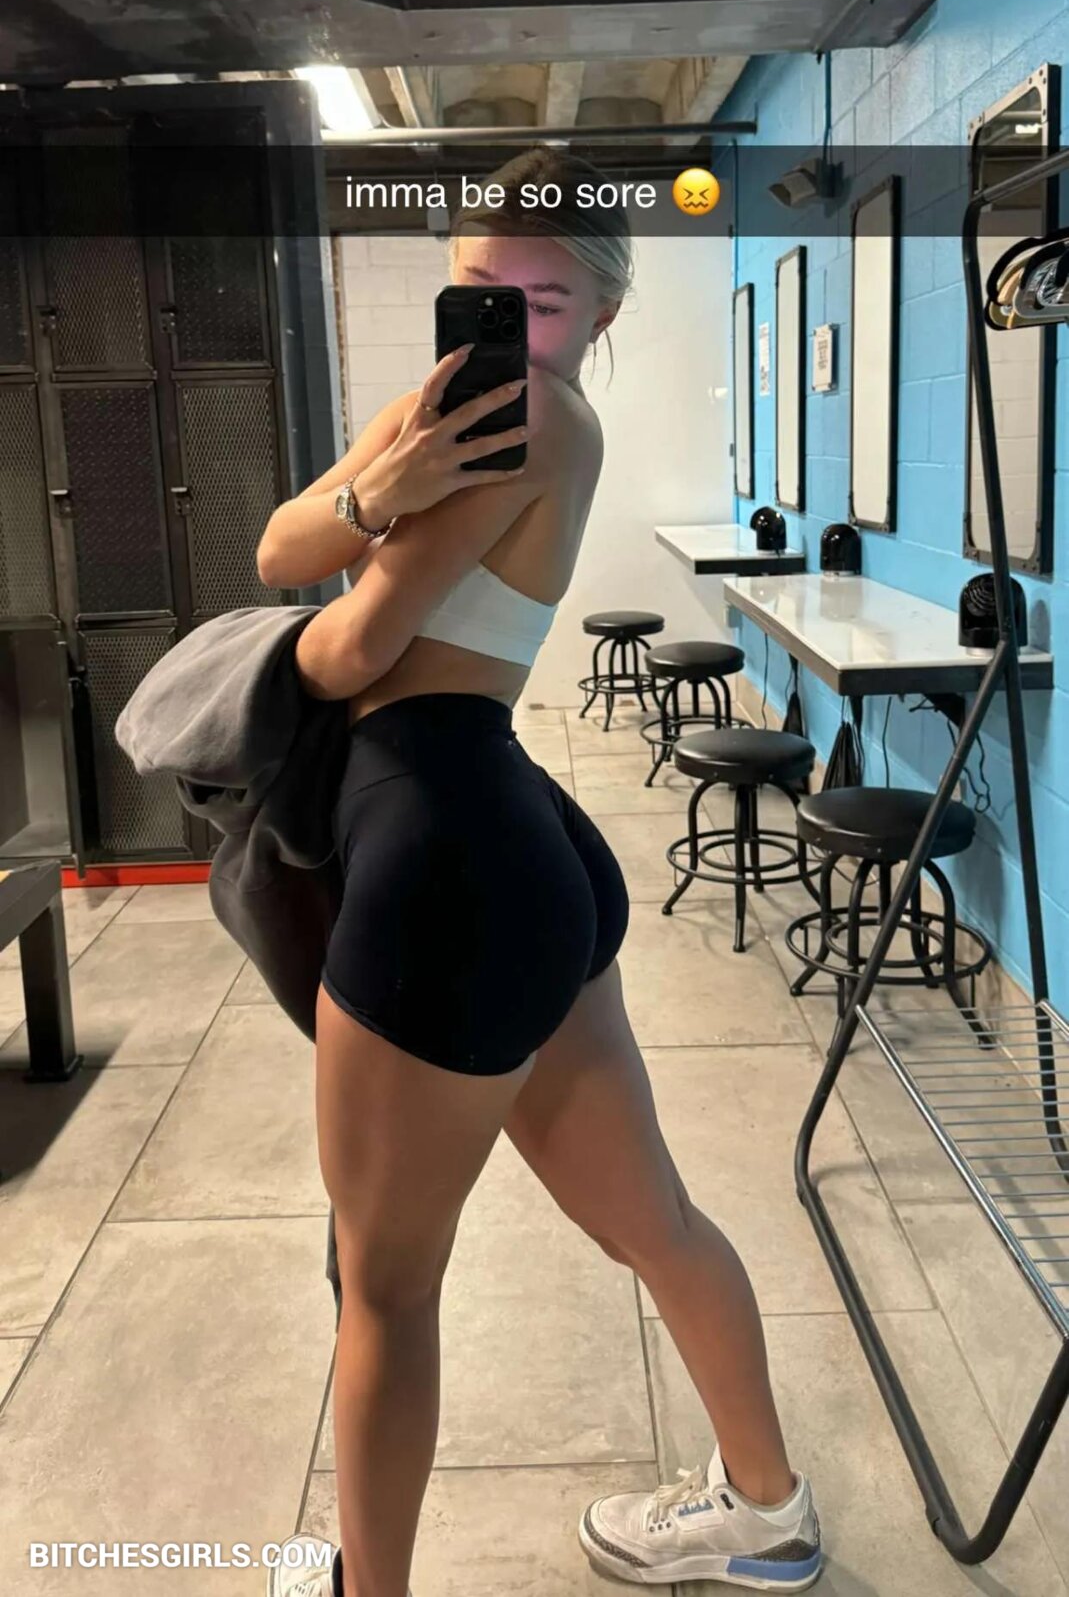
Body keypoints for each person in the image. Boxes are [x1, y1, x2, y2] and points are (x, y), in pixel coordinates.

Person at [257, 150, 822, 1597]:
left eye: (545, 301)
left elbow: (345, 646)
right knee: (653, 1222)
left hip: (447, 863)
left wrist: (350, 541)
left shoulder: (538, 422)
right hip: (506, 839)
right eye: (478, 289)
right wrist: (378, 486)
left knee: (382, 1284)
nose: (505, 324)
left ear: (604, 313)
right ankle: (766, 1515)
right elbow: (276, 549)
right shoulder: (436, 415)